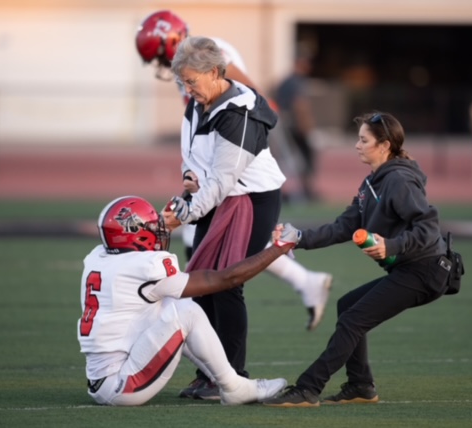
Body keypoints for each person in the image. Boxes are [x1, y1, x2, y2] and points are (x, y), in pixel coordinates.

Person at [134, 10, 331, 338]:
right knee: (214, 261)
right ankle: (304, 282)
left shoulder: (212, 56)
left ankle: (225, 355)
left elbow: (251, 102)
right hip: (220, 175)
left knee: (221, 269)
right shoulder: (191, 72)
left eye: (158, 56)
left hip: (239, 175)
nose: (160, 67)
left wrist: (225, 161)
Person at [262, 111, 453, 407]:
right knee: (347, 306)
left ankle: (308, 389)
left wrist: (390, 245)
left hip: (426, 270)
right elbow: (344, 226)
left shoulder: (400, 180)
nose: (357, 145)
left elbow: (428, 228)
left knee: (352, 320)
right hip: (410, 269)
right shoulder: (372, 183)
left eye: (364, 140)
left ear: (384, 145)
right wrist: (298, 237)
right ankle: (361, 386)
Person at [76, 195, 301, 406]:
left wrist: (162, 223)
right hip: (122, 385)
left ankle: (223, 380)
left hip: (104, 378)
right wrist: (277, 250)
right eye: (152, 229)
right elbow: (227, 278)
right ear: (137, 234)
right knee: (186, 312)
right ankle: (235, 388)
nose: (159, 232)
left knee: (169, 306)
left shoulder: (99, 258)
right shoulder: (146, 267)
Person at [275, 50, 319, 202]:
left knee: (284, 161)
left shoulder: (286, 81)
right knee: (304, 159)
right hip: (295, 128)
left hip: (283, 126)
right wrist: (307, 129)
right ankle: (305, 192)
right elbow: (300, 106)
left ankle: (286, 192)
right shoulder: (296, 82)